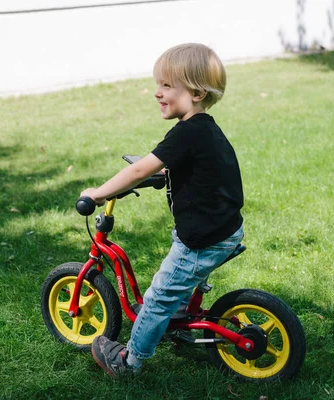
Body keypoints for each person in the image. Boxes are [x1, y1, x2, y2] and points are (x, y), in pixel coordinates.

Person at [80, 43, 244, 378]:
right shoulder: (204, 130)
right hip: (221, 229)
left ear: (196, 92)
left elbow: (138, 171)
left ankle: (129, 361)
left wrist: (99, 193)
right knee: (176, 274)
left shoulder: (187, 132)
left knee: (156, 298)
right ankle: (180, 315)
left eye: (167, 86)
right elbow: (201, 169)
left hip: (203, 239)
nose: (157, 93)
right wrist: (168, 173)